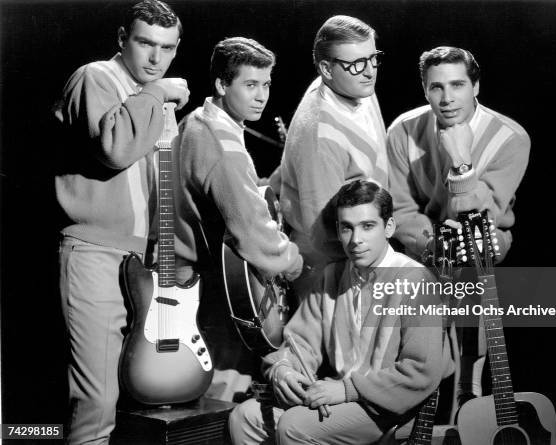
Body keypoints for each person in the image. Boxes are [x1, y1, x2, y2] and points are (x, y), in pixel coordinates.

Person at [53, 1, 188, 443]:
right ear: (121, 39)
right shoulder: (97, 77)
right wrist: (157, 93)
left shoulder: (153, 100)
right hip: (93, 252)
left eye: (167, 48)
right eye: (145, 42)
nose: (155, 58)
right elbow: (114, 148)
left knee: (130, 402)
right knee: (96, 403)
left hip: (134, 260)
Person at [229, 179, 453, 445]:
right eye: (347, 228)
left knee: (293, 427)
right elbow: (299, 343)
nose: (356, 240)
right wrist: (284, 370)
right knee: (245, 417)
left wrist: (347, 390)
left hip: (389, 407)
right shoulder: (332, 276)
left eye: (367, 226)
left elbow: (421, 372)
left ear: (389, 227)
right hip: (338, 396)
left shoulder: (416, 279)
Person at [386, 46, 530, 405]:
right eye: (436, 87)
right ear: (424, 89)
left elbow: (478, 217)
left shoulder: (511, 137)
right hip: (426, 239)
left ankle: (469, 387)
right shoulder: (402, 130)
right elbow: (402, 211)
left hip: (486, 234)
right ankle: (423, 383)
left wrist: (462, 161)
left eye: (458, 85)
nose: (447, 98)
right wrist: (436, 246)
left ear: (475, 86)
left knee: (475, 247)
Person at [173, 37, 303, 402]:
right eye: (250, 85)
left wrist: (275, 180)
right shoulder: (221, 143)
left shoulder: (199, 122)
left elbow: (236, 193)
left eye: (266, 84)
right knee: (220, 392)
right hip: (209, 287)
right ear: (221, 84)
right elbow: (251, 231)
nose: (261, 95)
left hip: (192, 279)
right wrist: (294, 262)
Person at [279, 15, 389, 270]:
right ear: (326, 69)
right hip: (332, 262)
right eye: (358, 63)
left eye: (373, 58)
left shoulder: (355, 85)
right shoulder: (320, 133)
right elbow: (322, 233)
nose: (370, 70)